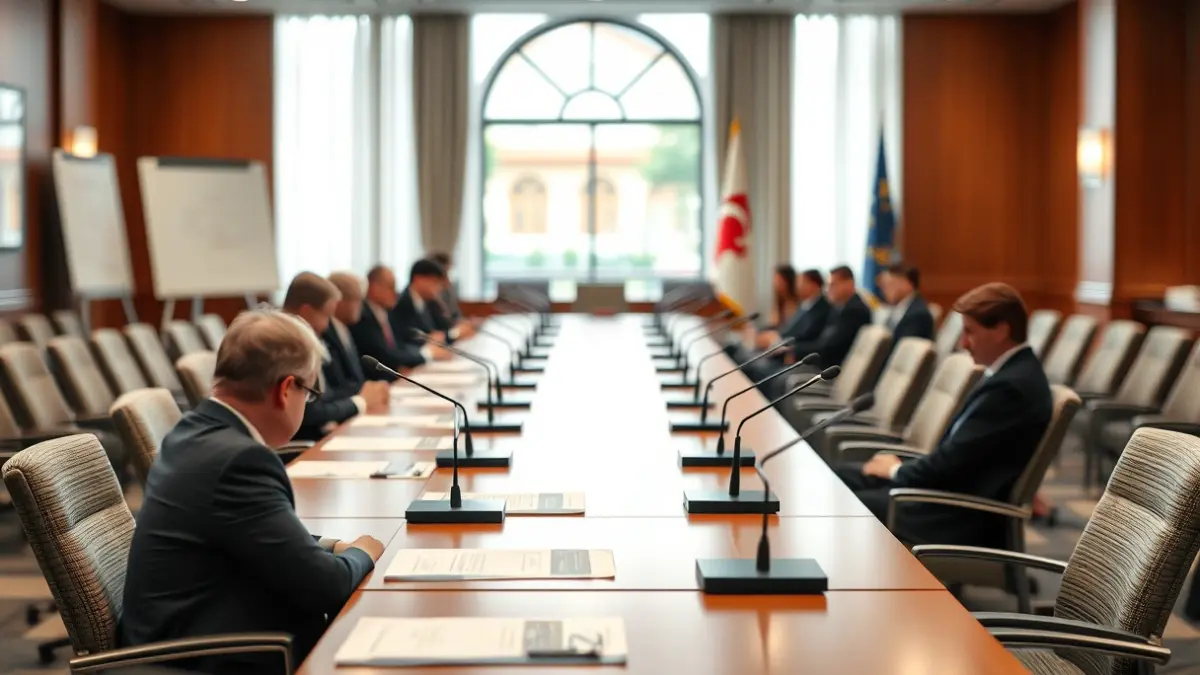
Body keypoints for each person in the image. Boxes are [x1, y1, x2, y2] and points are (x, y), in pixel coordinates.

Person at [119, 309, 385, 674]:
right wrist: (363, 551)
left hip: (185, 633)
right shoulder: (240, 460)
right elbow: (327, 585)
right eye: (308, 393)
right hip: (203, 657)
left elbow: (249, 532)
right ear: (285, 389)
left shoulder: (194, 430)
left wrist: (325, 545)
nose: (305, 404)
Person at [833, 282, 1052, 548]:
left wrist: (896, 469)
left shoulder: (1013, 388)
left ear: (1001, 330)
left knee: (852, 501)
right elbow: (960, 456)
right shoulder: (1011, 374)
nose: (963, 343)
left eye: (970, 332)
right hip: (949, 493)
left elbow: (952, 463)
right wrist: (897, 467)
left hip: (959, 516)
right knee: (840, 476)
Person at [281, 272, 389, 440]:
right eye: (326, 315)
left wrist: (363, 393)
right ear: (306, 311)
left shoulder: (306, 338)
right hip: (303, 442)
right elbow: (310, 413)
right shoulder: (286, 346)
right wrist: (359, 402)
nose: (327, 325)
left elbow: (325, 396)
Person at [349, 264, 446, 371]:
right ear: (374, 288)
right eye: (391, 287)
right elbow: (384, 355)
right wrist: (427, 354)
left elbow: (399, 345)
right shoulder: (363, 316)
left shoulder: (384, 313)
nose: (395, 293)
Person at [791, 265, 872, 368]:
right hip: (824, 364)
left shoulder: (855, 311)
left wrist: (794, 351)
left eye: (833, 285)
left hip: (832, 370)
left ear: (849, 284)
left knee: (782, 379)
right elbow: (822, 341)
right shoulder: (839, 308)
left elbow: (830, 348)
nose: (828, 290)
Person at [754, 269, 830, 352]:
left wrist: (775, 339)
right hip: (783, 345)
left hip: (795, 353)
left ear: (813, 285)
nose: (797, 286)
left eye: (801, 282)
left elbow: (803, 335)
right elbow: (789, 329)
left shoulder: (822, 309)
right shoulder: (805, 305)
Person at [390, 258, 454, 347]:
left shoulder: (430, 302)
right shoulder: (401, 303)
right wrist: (429, 340)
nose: (439, 288)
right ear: (418, 279)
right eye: (435, 282)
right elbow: (404, 339)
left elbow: (441, 327)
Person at [882, 263, 935, 345]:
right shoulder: (901, 308)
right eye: (883, 286)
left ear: (907, 284)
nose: (885, 290)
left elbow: (902, 350)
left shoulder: (918, 315)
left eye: (890, 284)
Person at [427, 251, 475, 338]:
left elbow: (455, 315)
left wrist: (463, 323)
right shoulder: (427, 298)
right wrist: (455, 332)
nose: (448, 280)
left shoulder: (448, 290)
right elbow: (433, 332)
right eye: (445, 274)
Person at [768, 263, 799, 331]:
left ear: (788, 282)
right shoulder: (779, 301)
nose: (775, 284)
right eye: (775, 279)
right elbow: (773, 324)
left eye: (779, 280)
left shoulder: (796, 303)